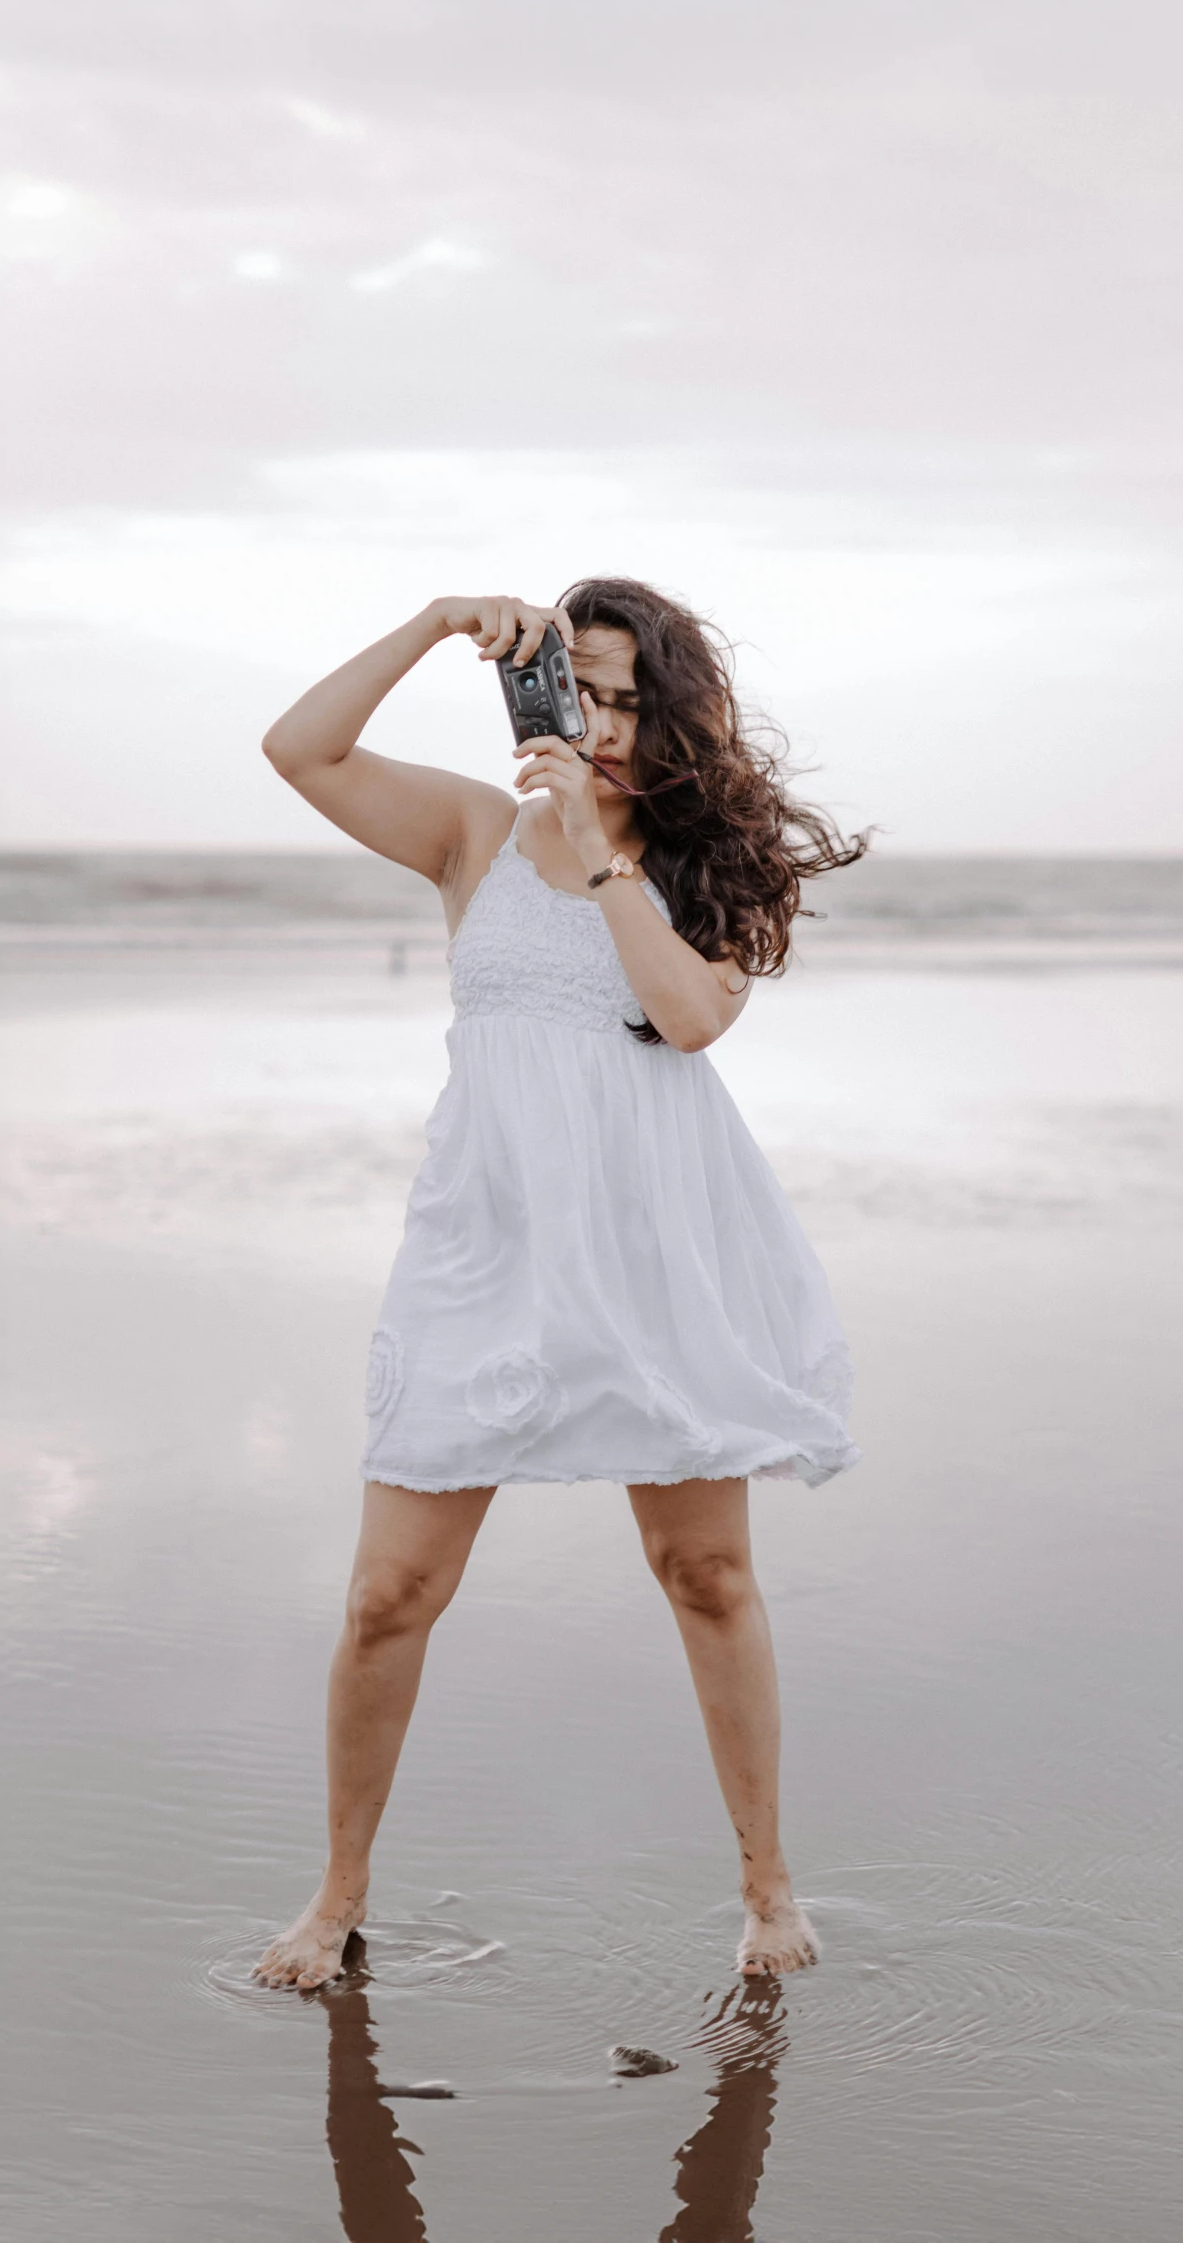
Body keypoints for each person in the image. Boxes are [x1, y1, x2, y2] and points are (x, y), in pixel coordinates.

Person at [254, 579, 866, 1991]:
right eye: (572, 691)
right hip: (485, 1246)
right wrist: (426, 624)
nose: (593, 723)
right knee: (387, 1595)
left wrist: (601, 855)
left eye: (623, 697)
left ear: (673, 712)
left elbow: (691, 1018)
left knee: (703, 1570)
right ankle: (338, 1895)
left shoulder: (703, 865)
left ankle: (767, 1886)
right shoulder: (473, 831)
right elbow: (301, 750)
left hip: (658, 1247)